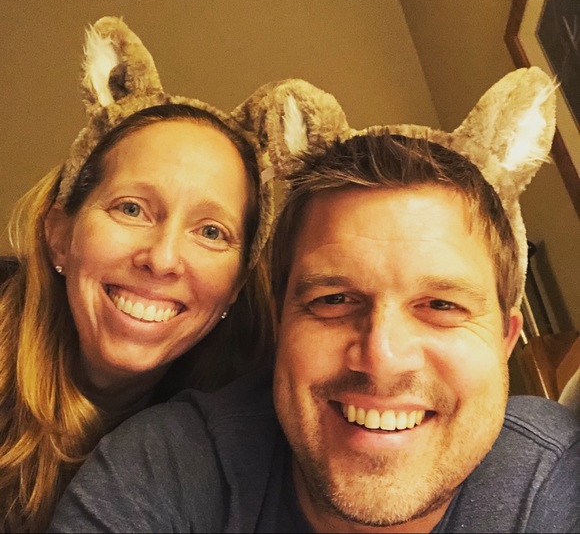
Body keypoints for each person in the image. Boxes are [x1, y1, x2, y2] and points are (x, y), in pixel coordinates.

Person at [48, 70, 580, 533]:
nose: (381, 357)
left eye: (441, 306)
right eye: (335, 299)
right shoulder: (159, 470)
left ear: (506, 338)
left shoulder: (558, 477)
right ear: (279, 324)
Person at [0, 17, 276, 533]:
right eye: (131, 209)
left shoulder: (231, 440)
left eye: (211, 232)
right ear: (59, 234)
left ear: (235, 289)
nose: (163, 259)